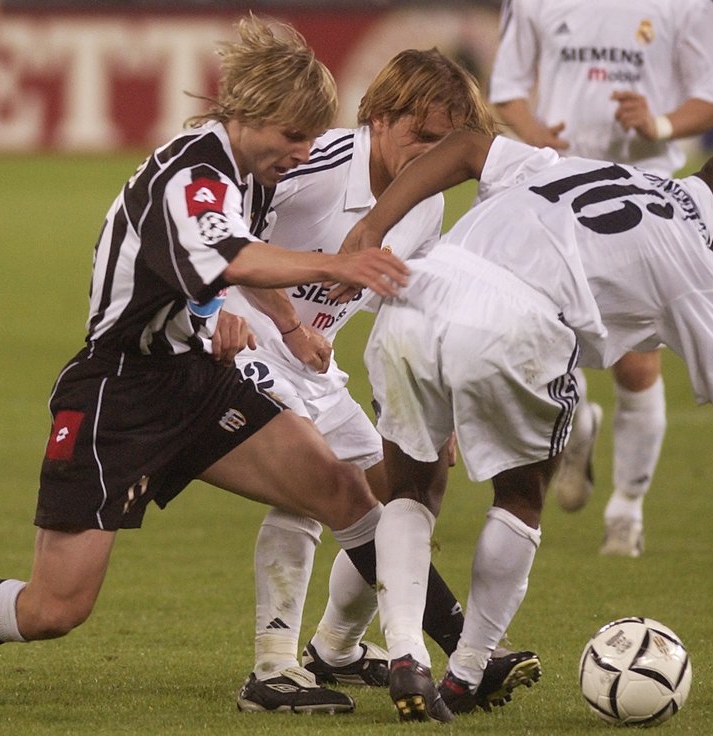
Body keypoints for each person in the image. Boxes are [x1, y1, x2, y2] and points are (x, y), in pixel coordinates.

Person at [0, 15, 410, 709]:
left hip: (193, 383)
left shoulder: (250, 169)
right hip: (117, 393)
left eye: (311, 136)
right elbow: (223, 256)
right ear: (246, 114)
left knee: (341, 490)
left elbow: (212, 268)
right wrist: (337, 264)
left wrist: (268, 322)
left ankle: (433, 655)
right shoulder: (195, 172)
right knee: (55, 609)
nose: (304, 151)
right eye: (294, 135)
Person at [337, 131, 713, 722]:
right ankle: (464, 674)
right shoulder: (693, 263)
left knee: (410, 487)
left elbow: (465, 148)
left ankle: (407, 653)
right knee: (520, 496)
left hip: (416, 294)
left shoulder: (591, 168)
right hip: (514, 325)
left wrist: (372, 227)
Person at [217, 48, 540, 714]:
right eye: (421, 137)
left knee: (391, 489)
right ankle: (273, 667)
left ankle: (334, 647)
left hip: (313, 358)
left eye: (445, 146)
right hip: (241, 336)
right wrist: (284, 322)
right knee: (312, 482)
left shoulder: (425, 206)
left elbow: (414, 308)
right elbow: (224, 246)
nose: (430, 158)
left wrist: (434, 406)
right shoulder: (316, 166)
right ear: (382, 118)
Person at [488, 0, 713, 556]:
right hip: (556, 185)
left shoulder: (685, 7)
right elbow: (508, 86)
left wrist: (659, 123)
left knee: (636, 363)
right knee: (532, 333)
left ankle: (626, 511)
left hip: (643, 189)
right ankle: (575, 418)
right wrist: (538, 135)